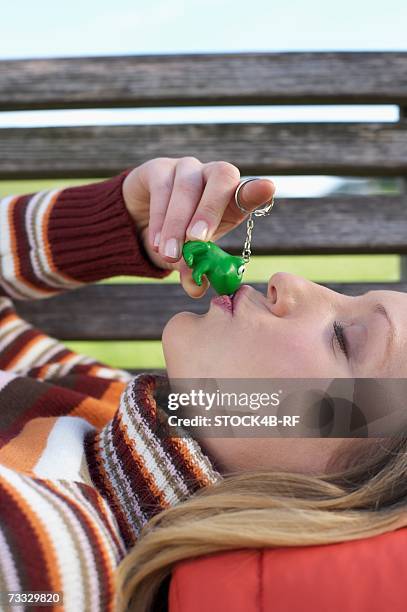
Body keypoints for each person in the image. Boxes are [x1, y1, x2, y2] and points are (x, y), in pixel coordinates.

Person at [0, 157, 406, 612]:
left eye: (344, 338)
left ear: (332, 493)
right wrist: (114, 224)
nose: (289, 281)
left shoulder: (38, 556)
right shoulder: (103, 404)